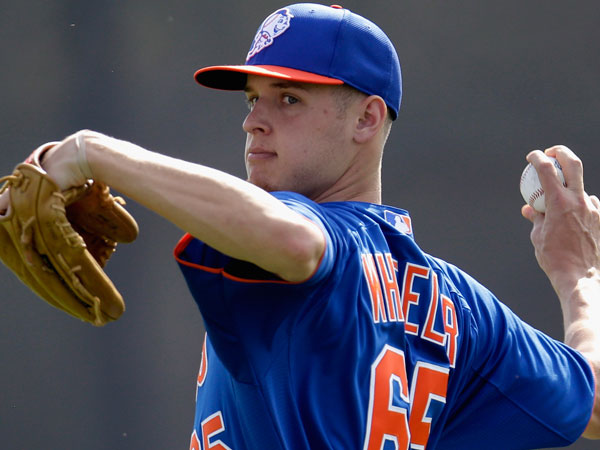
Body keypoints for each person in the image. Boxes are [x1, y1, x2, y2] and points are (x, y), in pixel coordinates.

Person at [8, 3, 600, 449]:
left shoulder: (314, 237)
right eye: (252, 99)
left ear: (366, 119)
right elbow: (590, 400)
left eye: (288, 99)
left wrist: (92, 153)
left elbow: (296, 241)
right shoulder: (459, 308)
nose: (254, 122)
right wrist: (579, 277)